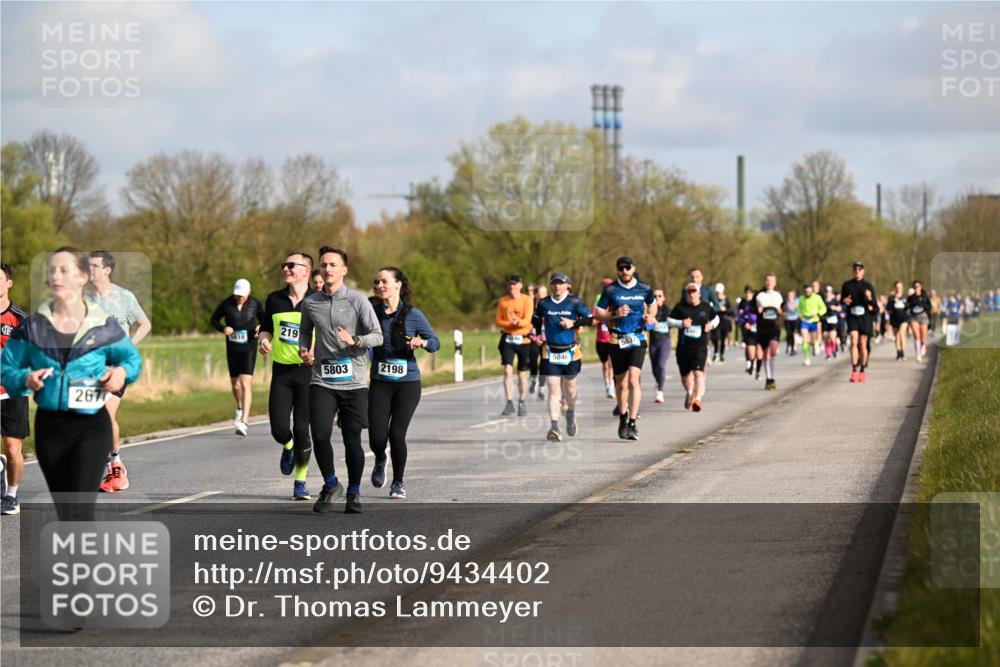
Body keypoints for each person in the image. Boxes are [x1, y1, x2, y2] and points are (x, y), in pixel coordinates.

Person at [1, 247, 142, 522]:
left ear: (81, 278)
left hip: (90, 425)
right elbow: (7, 370)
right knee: (66, 509)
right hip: (50, 427)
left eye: (64, 269)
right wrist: (24, 379)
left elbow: (131, 359)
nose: (56, 275)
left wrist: (122, 373)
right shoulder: (33, 327)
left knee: (79, 504)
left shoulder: (101, 323)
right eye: (52, 270)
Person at [299, 246, 382, 514]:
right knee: (320, 434)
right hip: (322, 379)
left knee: (351, 440)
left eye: (333, 265)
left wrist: (355, 340)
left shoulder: (358, 301)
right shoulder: (311, 303)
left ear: (344, 270)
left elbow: (377, 336)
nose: (328, 269)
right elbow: (304, 333)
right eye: (324, 265)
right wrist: (305, 350)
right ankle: (332, 484)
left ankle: (354, 492)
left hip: (354, 382)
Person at [367, 267, 439, 499]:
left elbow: (435, 342)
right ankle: (380, 457)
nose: (379, 285)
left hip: (407, 383)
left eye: (385, 281)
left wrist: (423, 342)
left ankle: (398, 482)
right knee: (377, 437)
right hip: (380, 381)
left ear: (398, 285)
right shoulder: (370, 311)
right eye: (377, 281)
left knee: (397, 434)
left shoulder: (413, 314)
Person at [87, 251, 151, 494]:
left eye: (94, 266)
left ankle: (115, 466)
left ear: (107, 270)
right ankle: (113, 464)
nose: (90, 270)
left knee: (104, 416)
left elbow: (145, 323)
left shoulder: (124, 297)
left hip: (117, 368)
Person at [259, 253, 317, 500]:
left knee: (302, 429)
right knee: (279, 429)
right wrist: (263, 340)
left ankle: (301, 482)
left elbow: (330, 334)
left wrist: (316, 352)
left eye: (291, 265)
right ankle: (288, 446)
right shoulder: (274, 299)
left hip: (308, 374)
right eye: (284, 264)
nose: (286, 268)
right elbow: (266, 328)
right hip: (282, 373)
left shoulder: (319, 300)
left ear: (306, 271)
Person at [595, 256, 656, 440]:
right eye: (621, 268)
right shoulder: (610, 289)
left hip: (637, 338)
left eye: (627, 267)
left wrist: (650, 317)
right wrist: (614, 314)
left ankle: (632, 422)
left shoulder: (644, 288)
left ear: (633, 268)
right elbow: (598, 313)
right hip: (617, 340)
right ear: (617, 270)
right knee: (620, 383)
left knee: (633, 380)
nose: (624, 271)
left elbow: (653, 305)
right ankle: (623, 417)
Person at [533, 273, 593, 441]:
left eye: (560, 283)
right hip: (550, 351)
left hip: (571, 352)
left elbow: (589, 319)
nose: (557, 286)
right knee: (553, 390)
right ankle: (554, 427)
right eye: (554, 283)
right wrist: (538, 334)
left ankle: (570, 414)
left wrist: (573, 323)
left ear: (567, 285)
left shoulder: (575, 302)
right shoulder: (544, 303)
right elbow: (536, 319)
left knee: (570, 390)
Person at [210, 279, 263, 435]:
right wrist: (223, 328)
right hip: (232, 347)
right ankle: (239, 408)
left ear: (248, 293)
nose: (240, 297)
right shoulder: (227, 304)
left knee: (245, 382)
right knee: (235, 384)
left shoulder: (255, 304)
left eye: (243, 295)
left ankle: (244, 421)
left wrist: (261, 326)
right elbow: (214, 320)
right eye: (237, 294)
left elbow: (265, 319)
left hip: (249, 346)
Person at [1, 263, 29, 515]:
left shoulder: (20, 318)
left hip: (13, 392)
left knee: (12, 449)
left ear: (9, 283)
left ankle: (11, 495)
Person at [667, 282, 719, 411]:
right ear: (686, 294)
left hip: (700, 347)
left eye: (694, 292)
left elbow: (716, 318)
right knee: (685, 378)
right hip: (684, 347)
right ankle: (690, 392)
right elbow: (668, 320)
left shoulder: (706, 307)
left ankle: (697, 400)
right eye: (689, 292)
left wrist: (711, 325)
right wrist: (681, 323)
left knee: (698, 374)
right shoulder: (680, 308)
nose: (691, 294)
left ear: (699, 293)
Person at [495, 276, 533, 417]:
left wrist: (519, 322)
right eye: (510, 284)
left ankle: (522, 401)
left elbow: (528, 320)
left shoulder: (527, 300)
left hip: (523, 339)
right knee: (507, 371)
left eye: (515, 284)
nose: (512, 287)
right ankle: (509, 402)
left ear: (520, 285)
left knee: (522, 373)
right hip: (508, 338)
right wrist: (509, 324)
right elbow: (498, 320)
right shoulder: (503, 301)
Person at [840, 260, 878, 383]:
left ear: (863, 271)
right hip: (852, 317)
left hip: (865, 317)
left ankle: (862, 370)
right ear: (853, 271)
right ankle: (854, 370)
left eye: (859, 269)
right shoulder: (847, 285)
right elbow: (842, 300)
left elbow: (875, 306)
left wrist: (869, 298)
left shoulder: (868, 286)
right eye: (855, 269)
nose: (857, 271)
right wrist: (845, 300)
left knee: (862, 344)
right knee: (853, 342)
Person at [752, 273, 785, 391]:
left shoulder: (778, 296)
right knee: (766, 355)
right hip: (762, 328)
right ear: (765, 282)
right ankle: (769, 379)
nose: (769, 282)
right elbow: (751, 309)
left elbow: (784, 308)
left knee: (773, 350)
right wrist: (757, 310)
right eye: (767, 280)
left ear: (775, 283)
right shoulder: (759, 295)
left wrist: (781, 310)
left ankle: (773, 377)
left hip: (774, 327)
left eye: (771, 281)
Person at [648, 289, 672, 404]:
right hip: (653, 341)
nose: (657, 297)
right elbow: (646, 326)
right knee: (654, 367)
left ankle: (660, 391)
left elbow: (672, 323)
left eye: (659, 296)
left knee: (661, 364)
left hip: (664, 340)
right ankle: (658, 382)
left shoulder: (668, 310)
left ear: (663, 298)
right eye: (654, 296)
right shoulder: (649, 310)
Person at [593, 279, 615, 399]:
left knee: (611, 364)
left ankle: (611, 385)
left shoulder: (615, 300)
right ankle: (607, 383)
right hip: (601, 339)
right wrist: (601, 318)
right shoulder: (598, 300)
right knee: (605, 364)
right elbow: (593, 319)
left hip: (611, 338)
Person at [797, 283, 827, 366]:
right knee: (804, 339)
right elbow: (799, 308)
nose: (807, 294)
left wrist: (818, 313)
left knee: (812, 341)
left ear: (812, 291)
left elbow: (824, 308)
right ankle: (806, 359)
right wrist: (800, 313)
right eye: (806, 292)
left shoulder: (817, 298)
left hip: (814, 320)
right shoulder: (802, 298)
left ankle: (815, 344)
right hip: (804, 321)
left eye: (809, 292)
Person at [737, 286, 760, 377]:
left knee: (758, 352)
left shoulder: (762, 307)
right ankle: (751, 364)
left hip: (760, 332)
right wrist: (745, 323)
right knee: (750, 351)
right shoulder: (748, 307)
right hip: (750, 331)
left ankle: (756, 369)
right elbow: (741, 316)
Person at [907, 280, 932, 363]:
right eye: (915, 287)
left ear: (920, 287)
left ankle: (923, 345)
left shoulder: (924, 296)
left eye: (918, 286)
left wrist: (922, 304)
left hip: (923, 317)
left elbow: (929, 306)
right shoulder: (911, 297)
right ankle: (918, 354)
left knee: (923, 337)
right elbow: (907, 306)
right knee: (917, 336)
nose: (917, 288)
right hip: (914, 317)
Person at [887, 281, 911, 361]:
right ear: (895, 288)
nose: (898, 288)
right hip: (894, 318)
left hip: (903, 318)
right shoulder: (891, 297)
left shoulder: (905, 297)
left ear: (902, 287)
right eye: (897, 287)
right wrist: (894, 301)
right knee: (897, 336)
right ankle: (898, 352)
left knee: (901, 334)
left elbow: (908, 307)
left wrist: (906, 304)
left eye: (900, 287)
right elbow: (888, 308)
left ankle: (903, 352)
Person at [710, 283, 733, 364]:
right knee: (715, 337)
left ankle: (721, 354)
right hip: (715, 320)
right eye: (716, 292)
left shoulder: (726, 299)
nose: (718, 294)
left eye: (719, 292)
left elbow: (731, 311)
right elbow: (710, 309)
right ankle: (716, 351)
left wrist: (725, 309)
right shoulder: (713, 300)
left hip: (724, 321)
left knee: (723, 339)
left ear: (722, 291)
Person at [821, 285, 842, 360]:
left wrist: (835, 307)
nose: (828, 293)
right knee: (826, 337)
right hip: (824, 319)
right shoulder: (822, 300)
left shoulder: (834, 300)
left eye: (829, 292)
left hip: (833, 319)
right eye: (826, 291)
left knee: (832, 337)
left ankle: (834, 350)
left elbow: (840, 308)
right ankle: (828, 354)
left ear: (831, 292)